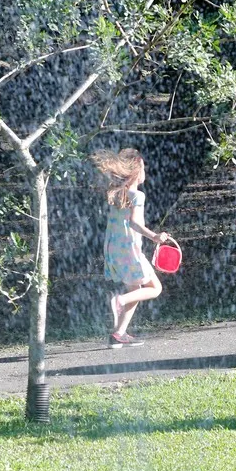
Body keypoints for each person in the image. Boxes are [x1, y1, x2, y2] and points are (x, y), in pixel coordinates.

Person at [94, 148, 172, 349]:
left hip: (114, 250)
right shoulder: (137, 195)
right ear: (137, 171)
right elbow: (135, 223)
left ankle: (118, 335)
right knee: (155, 288)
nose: (146, 171)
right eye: (144, 167)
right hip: (130, 250)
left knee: (135, 289)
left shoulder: (118, 195)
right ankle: (119, 301)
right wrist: (155, 236)